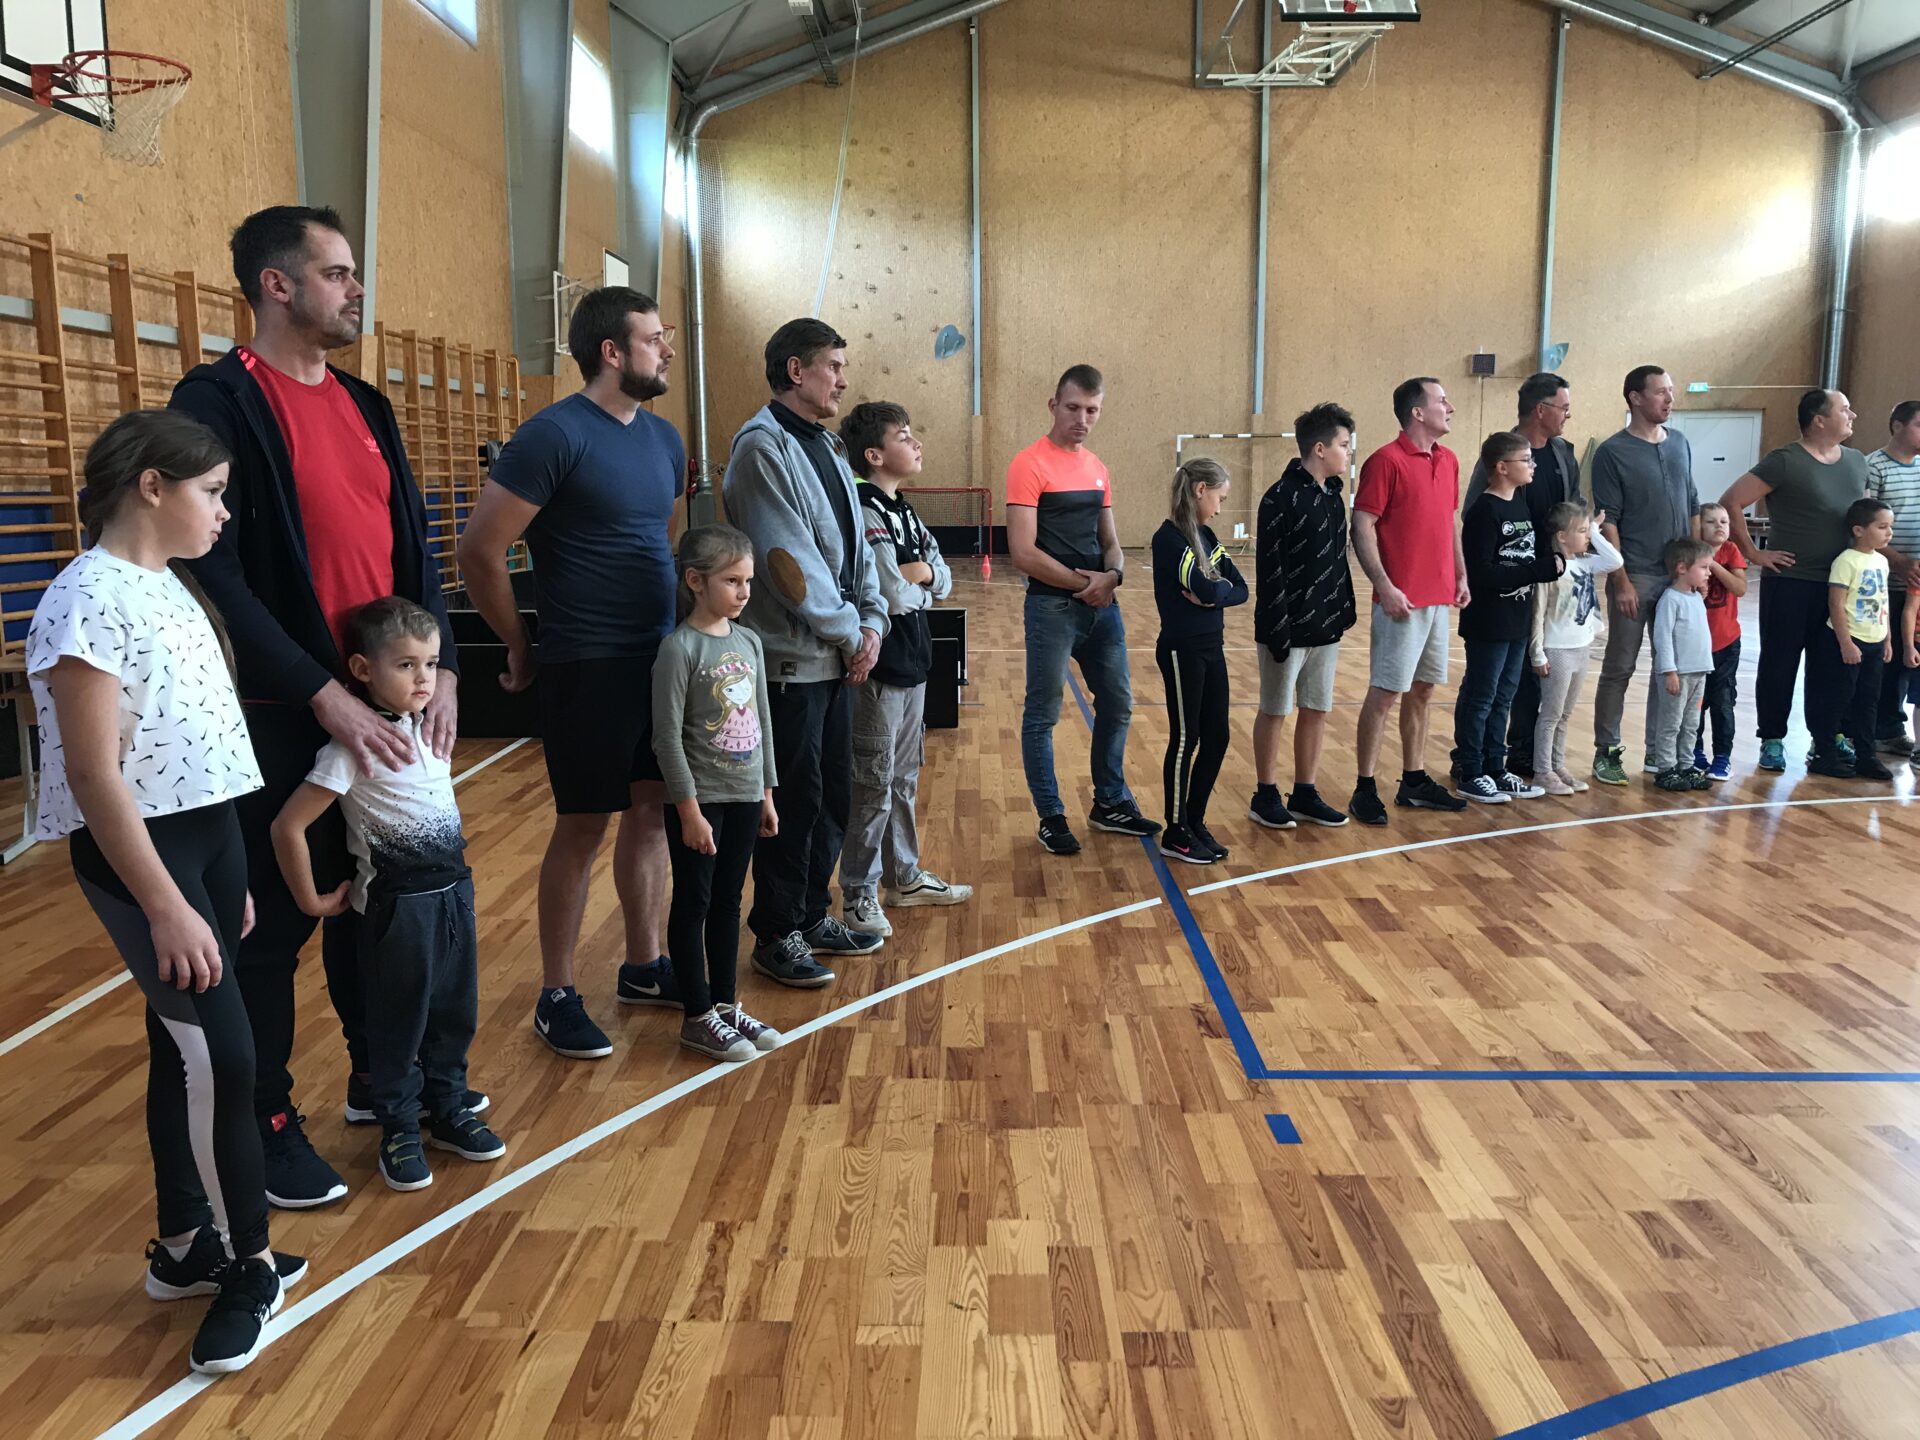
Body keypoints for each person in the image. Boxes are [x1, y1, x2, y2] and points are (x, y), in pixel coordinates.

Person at [171, 205, 461, 1208]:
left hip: (382, 702)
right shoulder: (218, 398)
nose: (356, 289)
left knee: (369, 907)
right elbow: (217, 570)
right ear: (278, 285)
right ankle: (267, 1122)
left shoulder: (366, 403)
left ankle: (384, 1083)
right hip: (284, 709)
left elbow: (415, 544)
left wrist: (441, 667)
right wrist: (321, 691)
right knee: (276, 925)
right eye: (337, 273)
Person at [27, 410, 304, 1375]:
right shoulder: (84, 600)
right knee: (223, 1054)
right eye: (211, 492)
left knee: (179, 1044)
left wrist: (227, 875)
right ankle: (249, 1268)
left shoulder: (171, 585)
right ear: (152, 486)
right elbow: (95, 775)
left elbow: (198, 746)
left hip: (207, 843)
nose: (224, 513)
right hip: (144, 861)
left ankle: (187, 1244)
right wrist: (166, 903)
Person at [458, 288, 684, 1060]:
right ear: (612, 352)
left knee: (651, 811)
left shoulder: (665, 439)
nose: (667, 349)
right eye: (654, 339)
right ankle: (556, 994)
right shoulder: (551, 435)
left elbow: (660, 537)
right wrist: (520, 642)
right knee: (584, 824)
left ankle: (644, 965)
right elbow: (480, 551)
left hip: (658, 659)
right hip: (585, 663)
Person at [269, 598, 504, 1192]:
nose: (424, 678)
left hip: (454, 895)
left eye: (431, 664)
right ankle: (398, 1127)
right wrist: (309, 900)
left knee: (454, 1013)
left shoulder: (429, 729)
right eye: (406, 665)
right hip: (398, 910)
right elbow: (288, 826)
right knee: (398, 1024)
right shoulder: (350, 749)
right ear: (362, 669)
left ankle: (446, 1107)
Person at [722, 318, 890, 987]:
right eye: (834, 366)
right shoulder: (761, 448)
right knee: (794, 804)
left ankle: (812, 913)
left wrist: (872, 623)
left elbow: (858, 551)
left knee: (831, 799)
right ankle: (776, 931)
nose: (843, 380)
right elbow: (789, 565)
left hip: (839, 657)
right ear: (797, 370)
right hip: (792, 665)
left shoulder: (826, 445)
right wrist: (852, 634)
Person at [1007, 365, 1160, 854]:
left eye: (1092, 410)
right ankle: (1051, 816)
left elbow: (1111, 541)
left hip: (1102, 607)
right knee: (1043, 714)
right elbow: (1023, 553)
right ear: (1054, 406)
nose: (1082, 419)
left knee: (1118, 703)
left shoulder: (1097, 468)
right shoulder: (1028, 464)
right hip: (1052, 608)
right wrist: (1086, 584)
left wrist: (1112, 577)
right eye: (1073, 408)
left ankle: (1110, 802)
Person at [836, 401, 972, 938]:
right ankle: (859, 893)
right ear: (874, 455)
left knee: (904, 777)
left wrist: (924, 577)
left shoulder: (906, 512)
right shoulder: (865, 509)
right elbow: (891, 593)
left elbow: (942, 575)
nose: (916, 444)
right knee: (872, 782)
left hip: (915, 661)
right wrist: (920, 583)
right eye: (904, 436)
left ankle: (904, 877)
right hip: (880, 668)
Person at [651, 526, 788, 1056]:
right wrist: (688, 811)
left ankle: (727, 1005)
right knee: (695, 902)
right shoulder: (678, 650)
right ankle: (697, 1014)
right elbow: (666, 738)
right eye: (732, 581)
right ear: (695, 581)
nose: (744, 591)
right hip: (700, 801)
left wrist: (767, 793)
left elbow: (764, 722)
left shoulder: (748, 641)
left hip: (746, 795)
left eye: (748, 581)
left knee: (729, 901)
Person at [1720, 388, 1870, 772]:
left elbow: (1864, 520)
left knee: (1831, 664)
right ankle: (1772, 739)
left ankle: (1826, 738)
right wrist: (1753, 554)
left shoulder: (1856, 462)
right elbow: (1731, 501)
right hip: (1791, 582)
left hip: (1839, 585)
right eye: (1844, 409)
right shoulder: (1786, 461)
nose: (1852, 415)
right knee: (1780, 662)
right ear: (1819, 420)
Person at [1346, 377, 1470, 825]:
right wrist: (1385, 584)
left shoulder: (1449, 460)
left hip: (1439, 599)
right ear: (1418, 412)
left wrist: (1460, 573)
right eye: (1441, 401)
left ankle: (1414, 780)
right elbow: (1362, 525)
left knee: (1424, 690)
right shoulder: (1385, 461)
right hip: (1400, 602)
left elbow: (1450, 521)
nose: (1450, 407)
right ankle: (1364, 787)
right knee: (1385, 693)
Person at [1462, 372, 1582, 778]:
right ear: (1541, 410)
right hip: (1501, 596)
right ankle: (1472, 763)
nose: (1568, 415)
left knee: (1525, 674)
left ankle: (1515, 758)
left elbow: (1571, 509)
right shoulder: (1499, 467)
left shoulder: (1563, 454)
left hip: (1543, 582)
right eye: (1563, 407)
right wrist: (1532, 568)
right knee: (1486, 688)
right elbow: (1479, 536)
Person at [1250, 402, 1357, 831]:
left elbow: (1338, 562)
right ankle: (1265, 794)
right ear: (1319, 449)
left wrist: (1343, 611)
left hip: (1325, 627)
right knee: (1275, 710)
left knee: (1317, 709)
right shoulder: (1279, 499)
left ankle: (1305, 792)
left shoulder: (1333, 499)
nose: (1349, 453)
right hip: (1287, 628)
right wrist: (1277, 629)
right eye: (1344, 445)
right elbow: (1269, 570)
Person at [1588, 365, 1698, 786]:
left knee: (1671, 667)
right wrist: (1621, 580)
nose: (1669, 399)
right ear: (1635, 398)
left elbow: (1691, 502)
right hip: (1637, 574)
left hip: (1678, 579)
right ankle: (1607, 750)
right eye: (1660, 392)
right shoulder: (1612, 452)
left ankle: (1660, 752)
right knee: (1620, 665)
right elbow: (1609, 521)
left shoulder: (1680, 443)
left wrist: (1694, 566)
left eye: (1671, 391)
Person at [1450, 433, 1564, 804]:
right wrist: (1536, 570)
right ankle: (1471, 770)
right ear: (1502, 467)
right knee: (1481, 696)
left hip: (1517, 618)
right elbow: (1482, 573)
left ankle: (1495, 769)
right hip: (1489, 620)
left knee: (1505, 697)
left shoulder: (1521, 505)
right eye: (1525, 459)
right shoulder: (1484, 512)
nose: (1533, 465)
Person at [1151, 459, 1249, 864]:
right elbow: (1206, 589)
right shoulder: (1169, 539)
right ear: (1200, 490)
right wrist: (1215, 592)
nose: (1220, 508)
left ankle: (1194, 820)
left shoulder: (1206, 536)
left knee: (1218, 736)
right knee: (1186, 738)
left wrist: (1216, 591)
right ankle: (1175, 830)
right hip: (1182, 650)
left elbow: (1240, 588)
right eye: (1219, 498)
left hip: (1212, 647)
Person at [1528, 501, 1622, 795]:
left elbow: (1615, 561)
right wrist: (1537, 653)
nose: (1587, 536)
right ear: (1561, 536)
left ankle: (1558, 766)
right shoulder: (1550, 570)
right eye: (1581, 531)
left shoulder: (1585, 563)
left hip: (1582, 648)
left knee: (1566, 714)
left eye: (1587, 531)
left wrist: (1594, 529)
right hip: (1557, 651)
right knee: (1551, 714)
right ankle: (1542, 771)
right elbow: (1537, 615)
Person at [1807, 499, 1897, 782]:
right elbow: (1836, 603)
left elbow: (1883, 602)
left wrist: (1887, 639)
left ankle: (1866, 756)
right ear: (1859, 530)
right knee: (1837, 700)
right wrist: (1845, 643)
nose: (1889, 533)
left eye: (1890, 527)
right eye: (1882, 527)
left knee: (1868, 701)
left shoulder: (1881, 561)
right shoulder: (1846, 561)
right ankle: (1824, 754)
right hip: (1848, 642)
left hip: (1874, 641)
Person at [1864, 400, 1920, 755]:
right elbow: (1865, 525)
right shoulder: (1873, 467)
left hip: (1916, 586)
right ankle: (1875, 729)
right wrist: (1898, 560)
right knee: (1886, 658)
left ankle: (1892, 726)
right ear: (1897, 426)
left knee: (1907, 661)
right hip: (1886, 582)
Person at [1648, 538, 1716, 792]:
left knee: (1691, 724)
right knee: (1671, 723)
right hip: (1678, 674)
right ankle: (1666, 768)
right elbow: (1662, 637)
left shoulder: (1696, 597)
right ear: (1682, 568)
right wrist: (1670, 671)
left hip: (1699, 672)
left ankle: (1686, 765)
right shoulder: (1670, 599)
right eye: (1704, 567)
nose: (1709, 573)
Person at [1691, 502, 1749, 782]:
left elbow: (1740, 588)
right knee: (1696, 703)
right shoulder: (1689, 554)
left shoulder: (1731, 551)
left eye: (1724, 521)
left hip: (1726, 642)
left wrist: (1712, 563)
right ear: (1698, 526)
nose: (1719, 527)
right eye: (1711, 522)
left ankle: (1722, 757)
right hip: (1695, 643)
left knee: (1723, 702)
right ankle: (1695, 751)